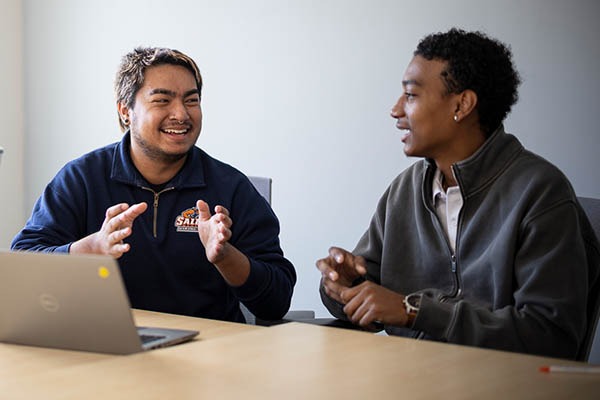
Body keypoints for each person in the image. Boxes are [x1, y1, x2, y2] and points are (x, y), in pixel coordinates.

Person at [316, 28, 599, 359]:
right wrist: (344, 286)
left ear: (462, 104)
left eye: (410, 96)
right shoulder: (404, 190)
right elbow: (372, 295)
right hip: (408, 377)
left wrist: (415, 311)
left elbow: (549, 335)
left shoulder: (541, 193)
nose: (395, 111)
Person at [12, 47, 296, 323]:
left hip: (209, 357)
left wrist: (225, 257)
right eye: (162, 100)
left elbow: (276, 302)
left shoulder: (231, 188)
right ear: (126, 111)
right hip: (105, 349)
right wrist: (91, 249)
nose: (181, 114)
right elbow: (21, 269)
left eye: (191, 100)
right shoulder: (81, 179)